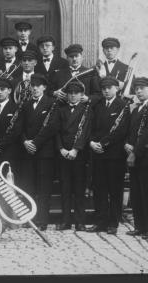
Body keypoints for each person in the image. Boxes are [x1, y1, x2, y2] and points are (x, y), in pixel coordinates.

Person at [87, 76, 130, 234]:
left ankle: (113, 223)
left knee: (115, 190)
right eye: (103, 88)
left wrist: (103, 143)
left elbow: (121, 130)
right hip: (97, 154)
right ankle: (100, 222)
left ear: (117, 89)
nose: (106, 90)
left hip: (114, 155)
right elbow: (89, 126)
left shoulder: (123, 106)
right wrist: (91, 142)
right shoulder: (97, 105)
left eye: (109, 87)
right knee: (99, 189)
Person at [17, 74, 60, 231]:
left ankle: (42, 220)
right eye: (32, 85)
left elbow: (52, 127)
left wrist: (35, 142)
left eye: (38, 85)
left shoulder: (52, 103)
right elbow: (19, 127)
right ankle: (29, 219)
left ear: (44, 87)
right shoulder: (26, 105)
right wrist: (24, 141)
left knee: (44, 188)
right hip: (27, 152)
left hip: (44, 153)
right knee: (28, 186)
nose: (34, 88)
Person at [124, 77, 148, 239]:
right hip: (134, 156)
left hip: (146, 157)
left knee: (147, 192)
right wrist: (127, 144)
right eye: (136, 88)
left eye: (142, 88)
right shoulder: (136, 109)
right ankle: (139, 226)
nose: (138, 91)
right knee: (136, 192)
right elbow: (131, 131)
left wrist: (134, 152)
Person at [55, 80, 93, 232]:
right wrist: (61, 149)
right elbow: (56, 131)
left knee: (78, 189)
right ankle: (65, 221)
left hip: (79, 155)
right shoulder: (60, 109)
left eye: (76, 93)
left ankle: (80, 221)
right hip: (63, 154)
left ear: (81, 95)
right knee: (65, 189)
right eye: (70, 93)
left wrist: (76, 149)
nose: (72, 96)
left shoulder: (87, 110)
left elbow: (85, 131)